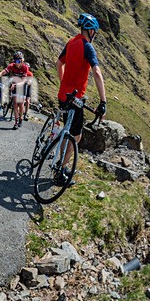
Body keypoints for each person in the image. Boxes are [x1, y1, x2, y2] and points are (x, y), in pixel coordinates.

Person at [56, 13, 107, 179]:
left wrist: (64, 83)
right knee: (76, 135)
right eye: (95, 32)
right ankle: (61, 169)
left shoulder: (71, 42)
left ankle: (58, 161)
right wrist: (103, 101)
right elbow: (97, 73)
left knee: (66, 130)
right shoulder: (87, 47)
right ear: (91, 31)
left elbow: (59, 63)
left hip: (63, 95)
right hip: (75, 99)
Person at [0, 51, 31, 129]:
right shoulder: (12, 65)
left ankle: (21, 118)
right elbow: (3, 72)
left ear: (22, 60)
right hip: (14, 84)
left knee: (20, 104)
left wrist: (15, 84)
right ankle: (16, 121)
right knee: (14, 103)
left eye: (19, 61)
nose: (17, 63)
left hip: (22, 85)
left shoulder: (25, 67)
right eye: (15, 61)